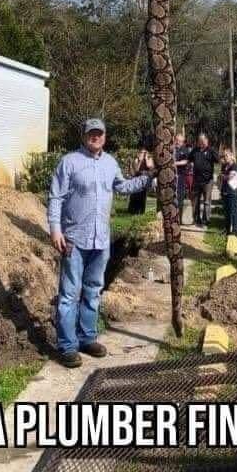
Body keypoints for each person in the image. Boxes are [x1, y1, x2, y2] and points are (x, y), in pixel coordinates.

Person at [48, 118, 154, 368]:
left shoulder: (110, 163)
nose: (95, 137)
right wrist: (55, 229)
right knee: (69, 294)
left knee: (94, 290)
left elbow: (123, 186)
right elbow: (56, 197)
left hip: (101, 240)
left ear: (105, 137)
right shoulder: (69, 162)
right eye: (91, 133)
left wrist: (148, 177)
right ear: (84, 136)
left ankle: (87, 338)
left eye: (99, 133)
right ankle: (67, 346)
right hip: (73, 239)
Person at [189, 133, 219, 226]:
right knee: (195, 201)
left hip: (207, 181)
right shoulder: (195, 150)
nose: (201, 142)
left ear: (206, 140)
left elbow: (217, 160)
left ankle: (206, 220)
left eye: (203, 140)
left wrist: (211, 149)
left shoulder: (210, 150)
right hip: (196, 180)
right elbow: (189, 159)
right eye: (199, 140)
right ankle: (197, 219)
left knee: (206, 202)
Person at [128, 143, 154, 214]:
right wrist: (140, 161)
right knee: (136, 194)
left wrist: (146, 159)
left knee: (143, 194)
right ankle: (133, 210)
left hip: (145, 178)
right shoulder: (137, 159)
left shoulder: (149, 158)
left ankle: (141, 211)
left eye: (145, 152)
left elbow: (150, 166)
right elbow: (136, 169)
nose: (143, 154)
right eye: (142, 152)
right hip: (137, 177)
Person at [220, 149, 237, 235]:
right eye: (224, 156)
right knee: (227, 212)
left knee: (233, 211)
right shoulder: (224, 166)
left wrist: (224, 176)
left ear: (232, 156)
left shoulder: (235, 166)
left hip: (233, 191)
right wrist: (224, 176)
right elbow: (223, 177)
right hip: (225, 190)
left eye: (227, 155)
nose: (225, 157)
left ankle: (235, 230)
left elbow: (231, 177)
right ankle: (227, 229)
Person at [174, 133, 191, 223]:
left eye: (180, 141)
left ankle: (179, 219)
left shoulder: (185, 150)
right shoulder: (171, 149)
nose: (178, 142)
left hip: (181, 176)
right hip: (171, 176)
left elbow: (186, 161)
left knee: (180, 198)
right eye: (177, 140)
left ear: (183, 142)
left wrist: (175, 163)